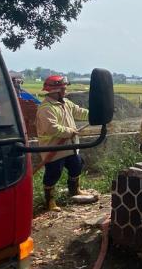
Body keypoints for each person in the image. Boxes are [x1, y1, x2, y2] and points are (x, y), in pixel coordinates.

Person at [35, 75, 97, 211]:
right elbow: (51, 128)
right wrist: (70, 131)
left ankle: (74, 191)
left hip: (70, 147)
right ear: (56, 90)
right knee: (53, 174)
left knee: (77, 165)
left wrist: (95, 114)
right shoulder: (46, 108)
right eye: (64, 88)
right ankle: (50, 201)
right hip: (54, 150)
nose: (66, 90)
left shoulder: (66, 103)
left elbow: (79, 112)